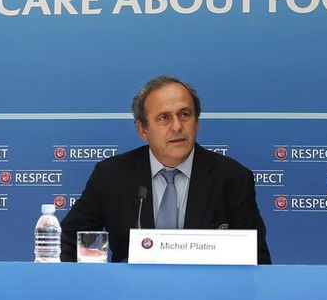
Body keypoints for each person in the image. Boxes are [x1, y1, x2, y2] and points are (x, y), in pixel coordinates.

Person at [60, 76, 271, 264]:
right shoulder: (112, 175)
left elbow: (256, 259)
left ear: (197, 123)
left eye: (185, 115)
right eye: (164, 118)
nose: (177, 126)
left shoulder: (232, 178)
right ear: (143, 129)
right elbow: (67, 242)